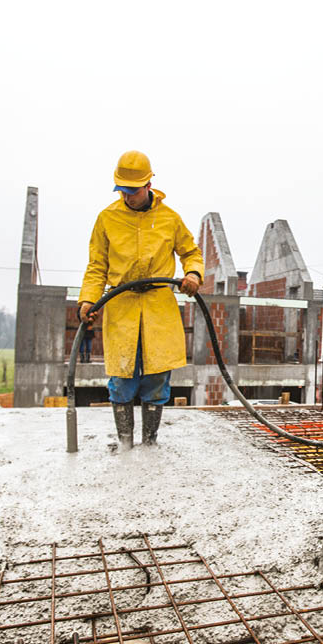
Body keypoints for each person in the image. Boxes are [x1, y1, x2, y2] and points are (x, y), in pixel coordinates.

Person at [79, 150, 204, 450]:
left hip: (158, 307)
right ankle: (125, 444)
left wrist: (194, 274)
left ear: (148, 184)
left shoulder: (170, 219)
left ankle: (149, 443)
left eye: (132, 190)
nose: (127, 195)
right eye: (121, 189)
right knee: (121, 379)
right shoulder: (107, 218)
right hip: (122, 307)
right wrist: (88, 300)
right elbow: (97, 266)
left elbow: (190, 252)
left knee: (157, 378)